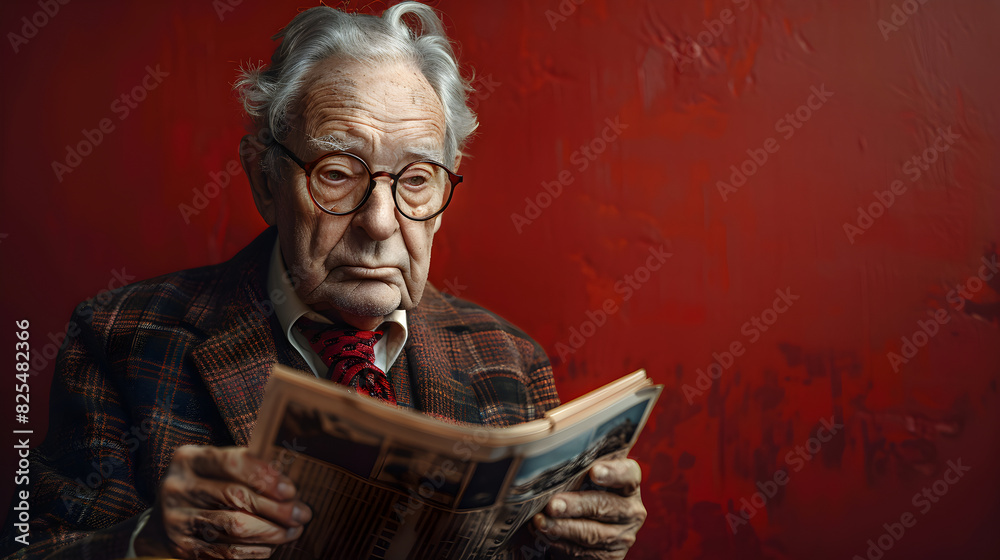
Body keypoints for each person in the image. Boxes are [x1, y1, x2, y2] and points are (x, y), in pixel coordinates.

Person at [0, 3, 645, 559]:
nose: (379, 223)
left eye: (416, 180)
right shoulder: (119, 339)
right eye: (337, 173)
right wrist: (150, 542)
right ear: (264, 179)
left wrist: (578, 547)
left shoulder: (507, 360)